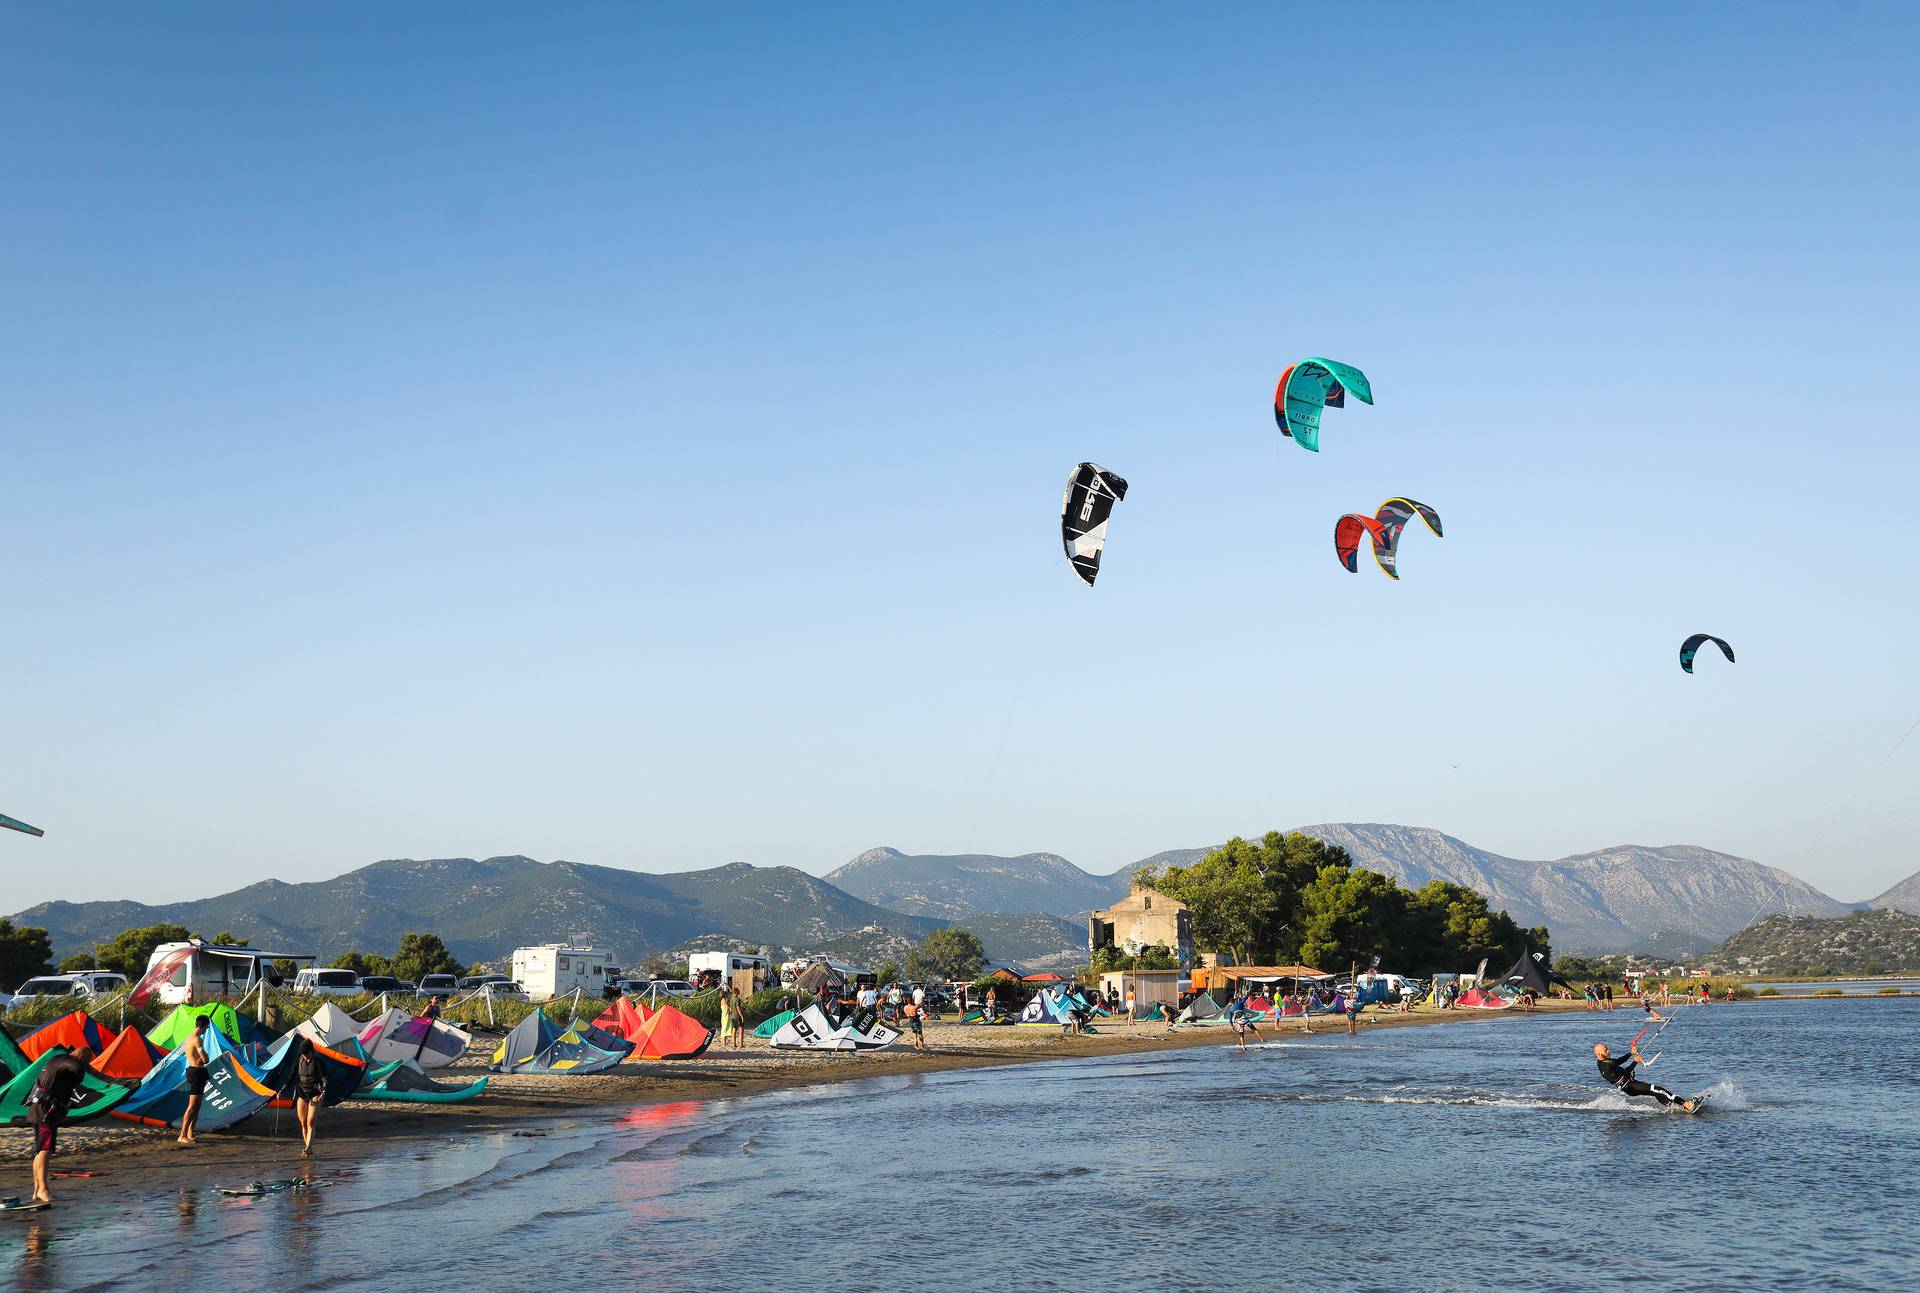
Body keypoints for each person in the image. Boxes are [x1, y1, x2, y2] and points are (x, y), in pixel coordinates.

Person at [25, 1045, 92, 1205]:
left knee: (40, 1149)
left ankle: (37, 1191)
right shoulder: (65, 1060)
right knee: (45, 1150)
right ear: (82, 1057)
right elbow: (76, 1069)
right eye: (87, 1061)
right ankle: (43, 1190)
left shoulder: (58, 1060)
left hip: (42, 1110)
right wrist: (83, 1068)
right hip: (45, 1112)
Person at [1593, 1041, 1698, 1112]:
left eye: (1607, 1049)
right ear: (1598, 1053)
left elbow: (1618, 1061)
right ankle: (1687, 1105)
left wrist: (1630, 1053)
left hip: (1630, 1086)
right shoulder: (1606, 1067)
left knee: (1655, 1093)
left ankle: (1674, 1107)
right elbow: (1625, 1072)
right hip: (1631, 1086)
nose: (1608, 1051)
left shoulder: (1603, 1061)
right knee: (1659, 1090)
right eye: (1605, 1050)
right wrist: (1635, 1062)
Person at [178, 1016, 211, 1145]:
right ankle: (182, 1135)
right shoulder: (197, 1039)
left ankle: (191, 1133)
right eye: (207, 1027)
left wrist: (202, 1058)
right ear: (203, 1026)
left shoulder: (189, 1038)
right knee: (192, 1106)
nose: (206, 1029)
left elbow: (199, 1057)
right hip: (196, 1072)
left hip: (195, 1071)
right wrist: (204, 1058)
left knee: (197, 1106)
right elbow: (206, 1058)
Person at [292, 1038, 326, 1157]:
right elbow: (291, 1077)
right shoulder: (298, 1061)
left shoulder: (318, 1062)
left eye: (307, 1054)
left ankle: (307, 1148)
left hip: (315, 1093)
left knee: (310, 1122)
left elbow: (324, 1078)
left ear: (311, 1051)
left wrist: (324, 1090)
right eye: (303, 1054)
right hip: (302, 1093)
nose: (305, 1057)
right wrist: (282, 1090)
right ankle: (308, 1149)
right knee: (303, 1122)